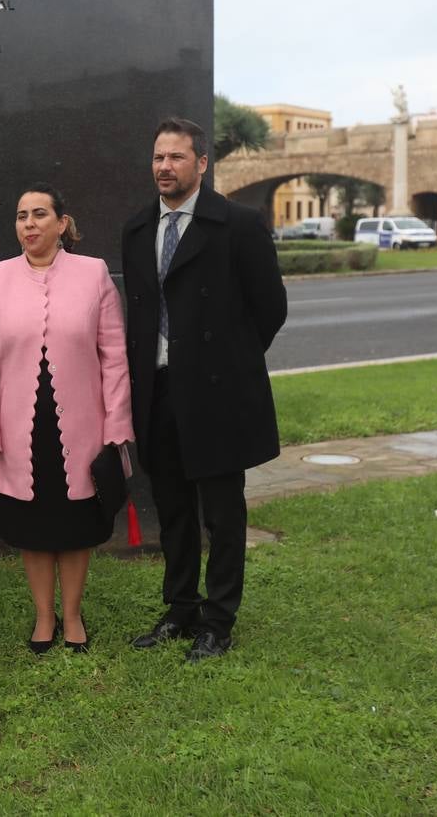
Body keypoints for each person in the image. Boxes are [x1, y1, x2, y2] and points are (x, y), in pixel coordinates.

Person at [120, 117, 287, 662]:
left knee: (222, 513)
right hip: (157, 390)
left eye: (176, 157)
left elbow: (270, 308)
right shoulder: (137, 229)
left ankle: (218, 621)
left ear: (202, 163)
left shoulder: (238, 224)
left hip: (217, 394)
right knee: (172, 510)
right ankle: (180, 609)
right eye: (158, 157)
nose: (164, 167)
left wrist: (228, 362)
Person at [0, 183, 134, 654]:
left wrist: (116, 426)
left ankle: (74, 615)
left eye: (40, 214)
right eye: (22, 216)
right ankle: (44, 616)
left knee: (76, 523)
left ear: (62, 224)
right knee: (33, 526)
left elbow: (114, 357)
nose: (29, 224)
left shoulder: (93, 274)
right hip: (17, 427)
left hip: (82, 427)